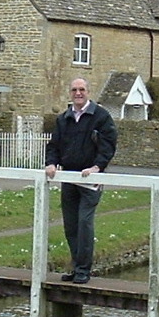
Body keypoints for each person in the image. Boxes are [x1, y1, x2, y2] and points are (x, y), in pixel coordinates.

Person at [44, 77, 118, 284]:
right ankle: (77, 268)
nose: (78, 93)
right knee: (71, 225)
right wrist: (51, 163)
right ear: (70, 93)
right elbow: (54, 145)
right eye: (74, 90)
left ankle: (84, 270)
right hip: (69, 178)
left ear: (88, 91)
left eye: (82, 89)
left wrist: (96, 167)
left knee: (84, 222)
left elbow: (109, 145)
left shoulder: (101, 117)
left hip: (90, 179)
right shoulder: (63, 118)